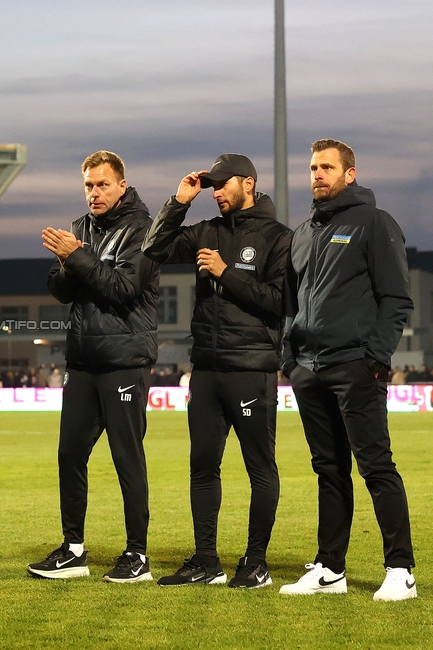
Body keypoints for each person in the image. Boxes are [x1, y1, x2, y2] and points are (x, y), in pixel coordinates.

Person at [141, 154, 292, 588]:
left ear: (249, 182)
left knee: (259, 468)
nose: (217, 191)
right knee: (203, 466)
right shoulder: (207, 230)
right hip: (206, 367)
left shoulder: (279, 238)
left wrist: (226, 274)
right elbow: (153, 250)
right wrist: (178, 201)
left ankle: (256, 562)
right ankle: (207, 561)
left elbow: (280, 302)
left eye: (223, 184)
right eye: (212, 186)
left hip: (251, 367)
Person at [280, 139, 416, 602]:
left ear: (349, 173)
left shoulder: (374, 224)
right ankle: (330, 569)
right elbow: (290, 303)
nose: (317, 174)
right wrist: (290, 358)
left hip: (355, 366)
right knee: (329, 471)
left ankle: (401, 570)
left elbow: (397, 298)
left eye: (327, 167)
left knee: (376, 466)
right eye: (313, 167)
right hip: (308, 370)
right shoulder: (303, 233)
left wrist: (374, 358)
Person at [28, 150, 159, 583]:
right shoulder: (80, 229)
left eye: (102, 184)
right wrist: (70, 259)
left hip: (124, 359)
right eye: (88, 185)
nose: (94, 193)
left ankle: (137, 555)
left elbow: (123, 289)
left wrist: (78, 258)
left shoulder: (144, 228)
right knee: (70, 454)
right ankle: (73, 549)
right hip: (82, 359)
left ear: (122, 184)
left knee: (127, 457)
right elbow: (59, 290)